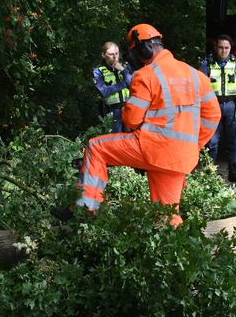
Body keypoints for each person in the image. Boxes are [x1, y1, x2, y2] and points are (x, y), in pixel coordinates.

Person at [71, 24, 220, 226]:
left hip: (151, 148)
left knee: (96, 147)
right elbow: (213, 116)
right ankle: (179, 252)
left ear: (144, 48)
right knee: (167, 215)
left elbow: (132, 120)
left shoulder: (146, 75)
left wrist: (128, 109)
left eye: (134, 52)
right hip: (182, 156)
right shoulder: (196, 76)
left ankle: (86, 209)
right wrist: (192, 144)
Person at [200, 35, 236, 183]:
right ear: (216, 47)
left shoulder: (235, 63)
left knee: (233, 141)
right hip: (213, 107)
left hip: (231, 106)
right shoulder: (207, 64)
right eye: (221, 47)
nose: (224, 50)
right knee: (212, 142)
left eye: (226, 48)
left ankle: (233, 172)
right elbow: (200, 86)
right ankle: (210, 173)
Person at [93, 42, 133, 133]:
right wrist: (124, 83)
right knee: (115, 140)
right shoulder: (98, 71)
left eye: (117, 53)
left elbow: (134, 84)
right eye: (111, 54)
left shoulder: (125, 67)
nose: (115, 57)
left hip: (129, 107)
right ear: (103, 55)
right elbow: (104, 92)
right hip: (112, 111)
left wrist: (123, 70)